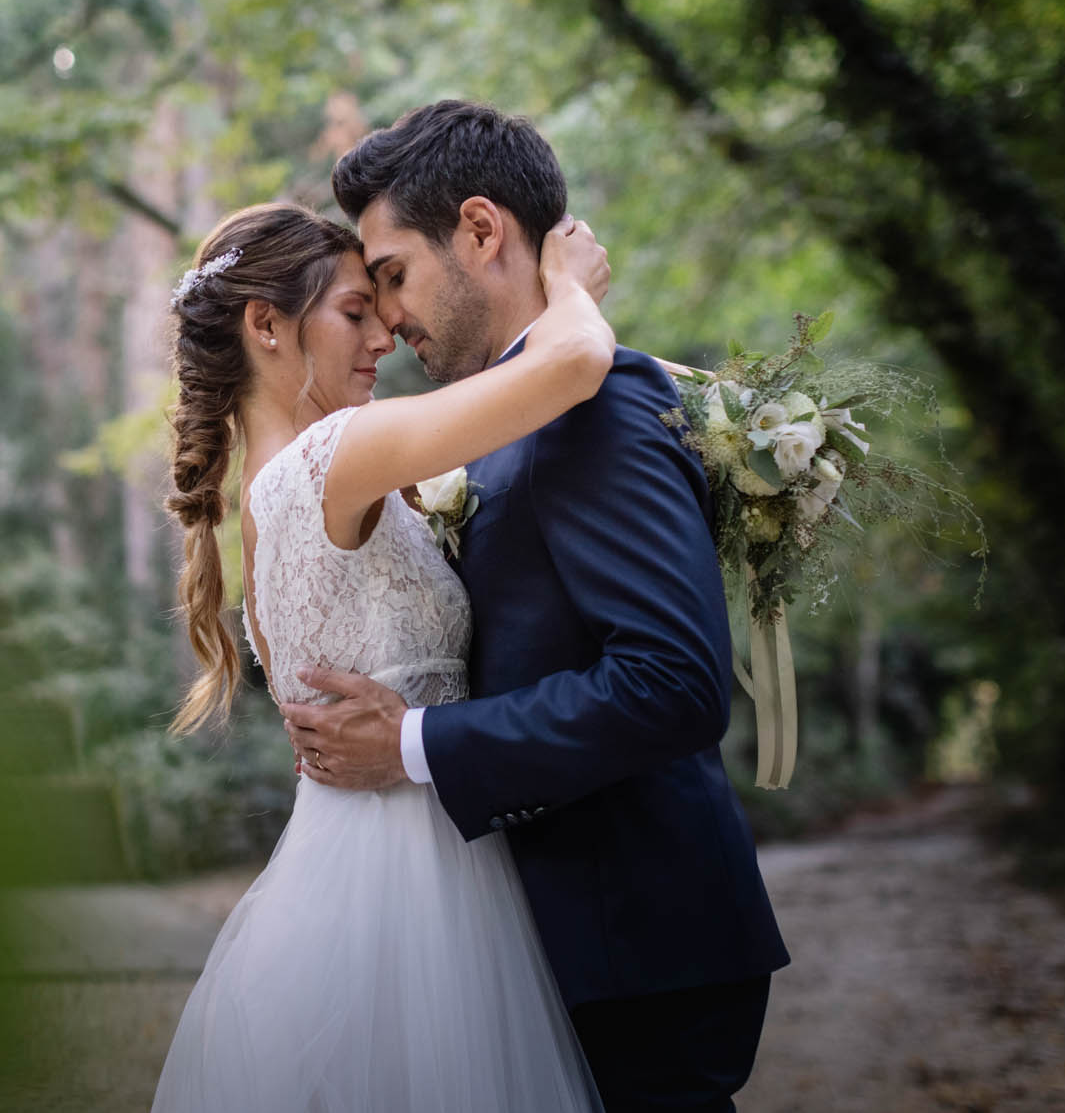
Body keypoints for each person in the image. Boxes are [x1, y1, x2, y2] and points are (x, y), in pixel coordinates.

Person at [282, 100, 789, 1113]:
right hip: (561, 936)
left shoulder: (592, 408)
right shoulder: (517, 414)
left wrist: (416, 742)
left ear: (479, 230)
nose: (387, 319)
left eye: (391, 275)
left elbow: (672, 682)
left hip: (631, 936)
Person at [150, 198, 613, 1112]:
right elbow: (577, 361)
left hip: (355, 864)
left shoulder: (270, 493)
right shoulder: (333, 455)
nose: (384, 337)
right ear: (268, 326)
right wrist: (569, 285)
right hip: (408, 884)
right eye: (354, 313)